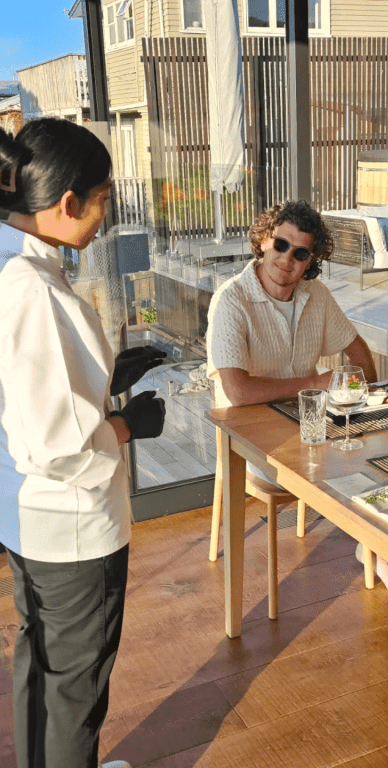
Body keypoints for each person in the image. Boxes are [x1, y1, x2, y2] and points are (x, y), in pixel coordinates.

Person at [0, 118, 166, 768]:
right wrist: (128, 425)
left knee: (42, 663)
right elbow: (56, 448)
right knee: (75, 688)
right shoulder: (34, 291)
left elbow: (29, 392)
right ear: (68, 203)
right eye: (102, 201)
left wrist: (107, 378)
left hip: (27, 519)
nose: (105, 218)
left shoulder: (16, 264)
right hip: (68, 527)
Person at [206, 198, 377, 409]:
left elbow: (361, 358)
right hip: (247, 424)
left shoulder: (317, 294)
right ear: (263, 241)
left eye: (301, 253)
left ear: (310, 261)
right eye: (280, 245)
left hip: (310, 418)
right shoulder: (230, 300)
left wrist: (355, 396)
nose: (287, 259)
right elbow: (237, 392)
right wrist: (315, 384)